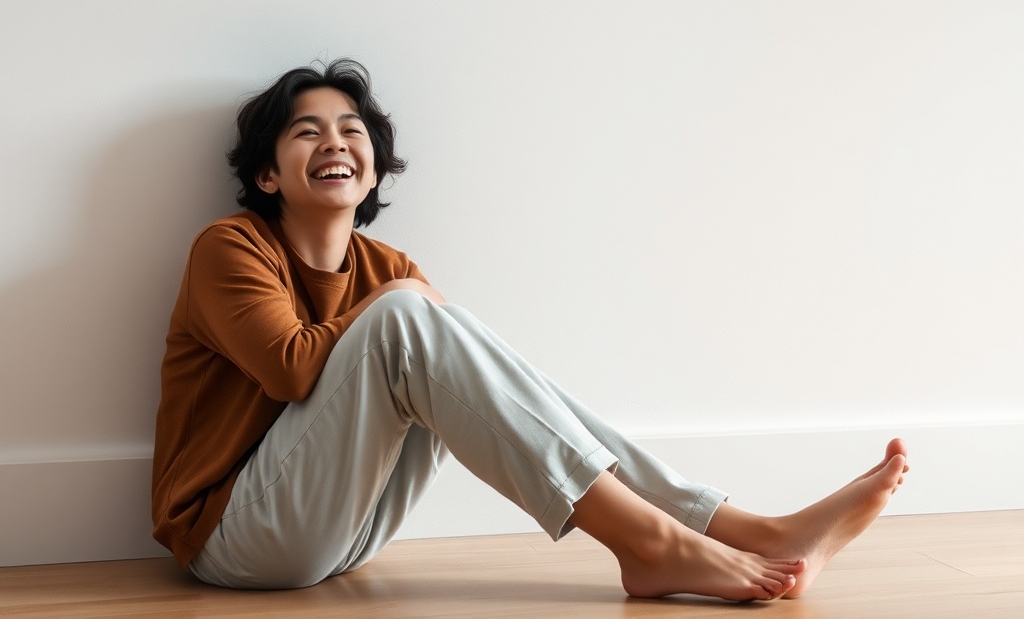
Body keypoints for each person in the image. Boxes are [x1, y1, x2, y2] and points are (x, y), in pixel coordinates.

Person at [152, 58, 908, 601]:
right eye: (305, 133)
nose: (335, 143)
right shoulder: (231, 246)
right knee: (413, 318)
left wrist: (409, 302)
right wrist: (404, 305)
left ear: (376, 168)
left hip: (345, 536)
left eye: (352, 130)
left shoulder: (387, 265)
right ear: (268, 176)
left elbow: (477, 382)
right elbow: (287, 370)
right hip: (236, 542)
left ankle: (745, 529)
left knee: (455, 342)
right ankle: (650, 543)